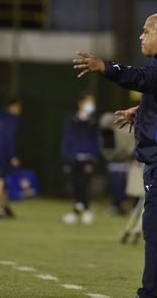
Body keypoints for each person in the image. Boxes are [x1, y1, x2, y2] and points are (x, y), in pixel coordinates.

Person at [73, 12, 157, 298]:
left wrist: (104, 66)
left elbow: (142, 78)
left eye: (146, 31)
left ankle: (148, 293)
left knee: (156, 231)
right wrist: (142, 111)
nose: (141, 37)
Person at [61, 93, 101, 225]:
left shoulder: (93, 121)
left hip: (88, 157)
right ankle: (78, 210)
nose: (91, 105)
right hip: (73, 156)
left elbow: (96, 140)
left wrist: (94, 156)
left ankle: (85, 210)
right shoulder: (71, 119)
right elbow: (67, 138)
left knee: (85, 184)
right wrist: (66, 156)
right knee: (75, 185)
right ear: (81, 103)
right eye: (89, 102)